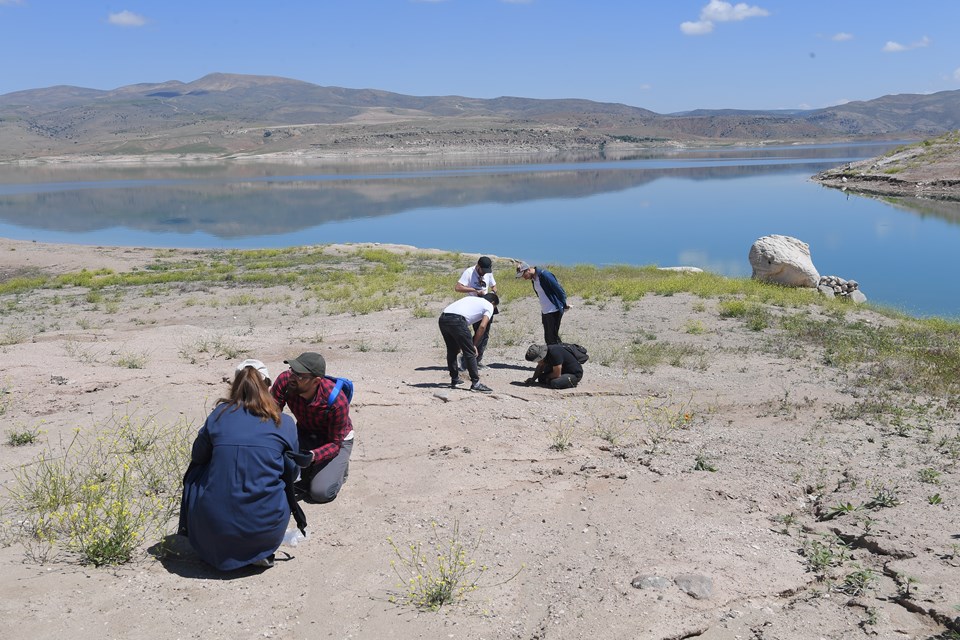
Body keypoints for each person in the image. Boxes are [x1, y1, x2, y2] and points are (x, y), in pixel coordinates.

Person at [179, 359, 299, 570]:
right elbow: (295, 470)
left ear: (235, 385)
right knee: (285, 471)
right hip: (264, 532)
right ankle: (257, 546)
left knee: (198, 468)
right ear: (268, 386)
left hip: (211, 537)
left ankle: (202, 530)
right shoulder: (284, 422)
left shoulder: (218, 416)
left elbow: (198, 456)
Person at [271, 352, 354, 504]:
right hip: (305, 432)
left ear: (316, 381)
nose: (292, 377)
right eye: (292, 371)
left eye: (299, 376)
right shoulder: (285, 381)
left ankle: (339, 468)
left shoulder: (337, 401)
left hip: (335, 440)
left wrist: (312, 456)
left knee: (320, 492)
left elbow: (335, 443)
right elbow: (270, 415)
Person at [438, 292, 499, 393]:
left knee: (452, 350)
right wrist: (473, 344)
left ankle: (455, 379)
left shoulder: (471, 299)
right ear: (493, 302)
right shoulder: (489, 305)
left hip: (443, 318)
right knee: (470, 352)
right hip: (457, 320)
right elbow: (483, 326)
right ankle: (476, 384)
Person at [455, 256, 498, 368]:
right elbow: (458, 287)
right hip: (475, 306)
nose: (484, 273)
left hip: (487, 305)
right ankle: (467, 360)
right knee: (478, 332)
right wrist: (474, 290)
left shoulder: (488, 273)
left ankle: (476, 361)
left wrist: (493, 292)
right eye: (483, 270)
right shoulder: (469, 272)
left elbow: (494, 285)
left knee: (485, 335)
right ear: (478, 266)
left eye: (487, 271)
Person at [516, 261, 570, 345]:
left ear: (528, 270)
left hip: (554, 310)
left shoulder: (545, 275)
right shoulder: (534, 279)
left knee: (552, 339)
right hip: (545, 311)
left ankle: (563, 355)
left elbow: (559, 290)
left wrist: (564, 304)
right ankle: (559, 355)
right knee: (548, 338)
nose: (524, 278)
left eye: (524, 275)